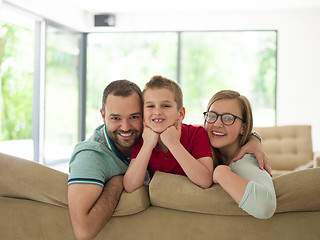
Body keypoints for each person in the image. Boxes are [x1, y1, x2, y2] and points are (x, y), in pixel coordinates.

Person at [123, 75, 269, 193]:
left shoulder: (197, 134)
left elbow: (205, 180)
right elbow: (130, 186)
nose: (157, 111)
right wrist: (148, 145)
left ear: (181, 114)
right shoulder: (142, 140)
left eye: (165, 105)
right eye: (150, 106)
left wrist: (174, 144)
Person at [68, 80, 143, 240]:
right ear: (103, 116)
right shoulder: (90, 156)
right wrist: (118, 182)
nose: (125, 127)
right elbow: (84, 231)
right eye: (116, 118)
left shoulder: (152, 138)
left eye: (134, 117)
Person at [203, 90, 276, 219]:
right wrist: (255, 137)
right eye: (212, 115)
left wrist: (221, 173)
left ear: (244, 127)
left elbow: (265, 207)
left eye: (228, 118)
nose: (217, 124)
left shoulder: (244, 162)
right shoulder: (201, 148)